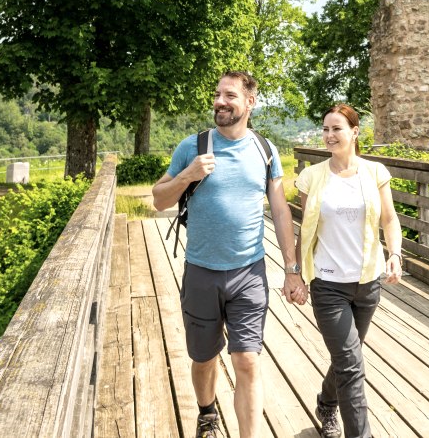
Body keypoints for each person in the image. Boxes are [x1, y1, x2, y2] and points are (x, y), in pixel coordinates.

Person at [152, 71, 299, 438]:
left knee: (247, 360)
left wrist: (292, 268)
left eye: (229, 95)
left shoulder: (265, 151)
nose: (220, 101)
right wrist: (187, 175)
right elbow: (158, 200)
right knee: (203, 358)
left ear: (250, 102)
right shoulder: (193, 146)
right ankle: (206, 414)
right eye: (217, 94)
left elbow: (280, 211)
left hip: (249, 272)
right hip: (201, 271)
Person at [287, 104, 403, 438]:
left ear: (354, 132)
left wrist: (394, 254)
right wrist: (295, 273)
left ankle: (326, 403)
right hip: (328, 284)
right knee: (352, 366)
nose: (329, 136)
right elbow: (303, 230)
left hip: (368, 284)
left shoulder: (376, 172)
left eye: (337, 128)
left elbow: (390, 219)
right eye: (325, 129)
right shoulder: (311, 177)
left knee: (347, 357)